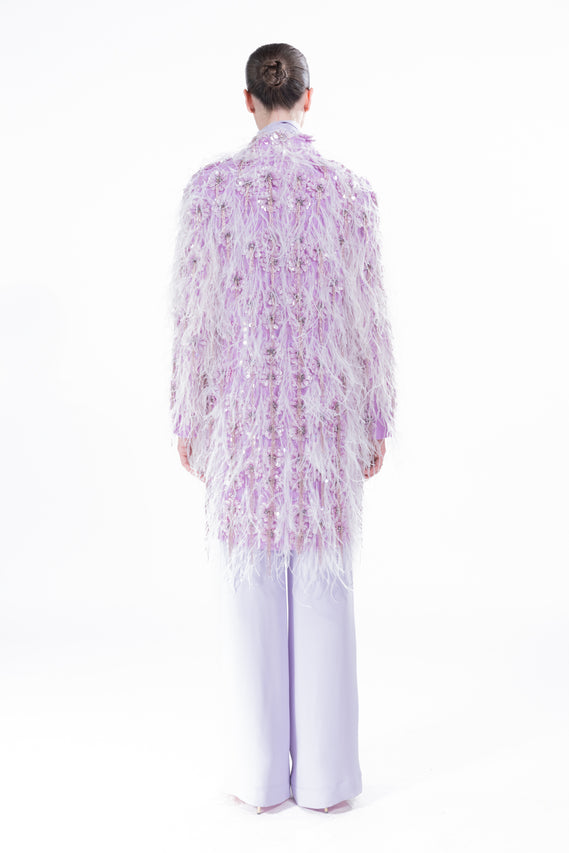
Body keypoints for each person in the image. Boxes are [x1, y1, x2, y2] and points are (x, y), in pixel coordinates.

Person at [169, 43, 397, 813]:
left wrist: (189, 413)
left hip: (243, 416)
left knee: (250, 588)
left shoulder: (210, 190)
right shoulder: (348, 192)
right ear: (308, 97)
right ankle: (327, 781)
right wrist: (375, 414)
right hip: (322, 414)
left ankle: (259, 774)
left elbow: (192, 316)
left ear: (248, 101)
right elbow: (368, 315)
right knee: (324, 587)